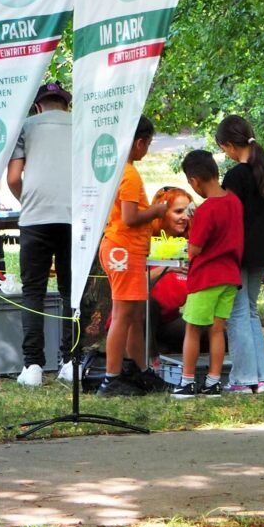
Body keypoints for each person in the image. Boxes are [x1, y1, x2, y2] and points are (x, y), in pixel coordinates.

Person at [7, 81, 74, 388]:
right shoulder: (80, 125)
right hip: (73, 217)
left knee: (32, 291)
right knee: (70, 291)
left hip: (35, 218)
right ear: (66, 105)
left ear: (37, 106)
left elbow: (13, 177)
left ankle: (32, 366)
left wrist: (28, 201)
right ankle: (70, 361)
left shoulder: (25, 127)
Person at [96, 116, 170, 397]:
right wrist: (157, 210)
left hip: (129, 250)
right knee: (123, 315)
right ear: (139, 142)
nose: (147, 149)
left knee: (135, 315)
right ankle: (111, 377)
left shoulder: (120, 170)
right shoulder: (128, 174)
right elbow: (129, 217)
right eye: (148, 143)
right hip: (122, 250)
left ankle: (140, 371)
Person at [214, 115, 264, 395]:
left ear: (229, 146)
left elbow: (229, 216)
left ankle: (243, 378)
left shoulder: (236, 176)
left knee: (237, 313)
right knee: (250, 311)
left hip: (237, 252)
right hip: (261, 251)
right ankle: (259, 378)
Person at [172, 150, 244, 399]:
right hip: (230, 276)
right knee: (217, 329)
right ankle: (214, 381)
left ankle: (187, 380)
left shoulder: (206, 210)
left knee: (192, 328)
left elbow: (194, 250)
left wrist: (191, 227)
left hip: (206, 277)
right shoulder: (234, 201)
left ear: (194, 181)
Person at [146, 186, 193, 361]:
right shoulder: (145, 242)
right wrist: (167, 268)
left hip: (171, 321)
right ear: (163, 213)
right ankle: (151, 361)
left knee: (216, 335)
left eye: (188, 211)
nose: (185, 217)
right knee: (148, 304)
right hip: (140, 321)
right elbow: (134, 283)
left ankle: (167, 352)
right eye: (178, 211)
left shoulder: (192, 244)